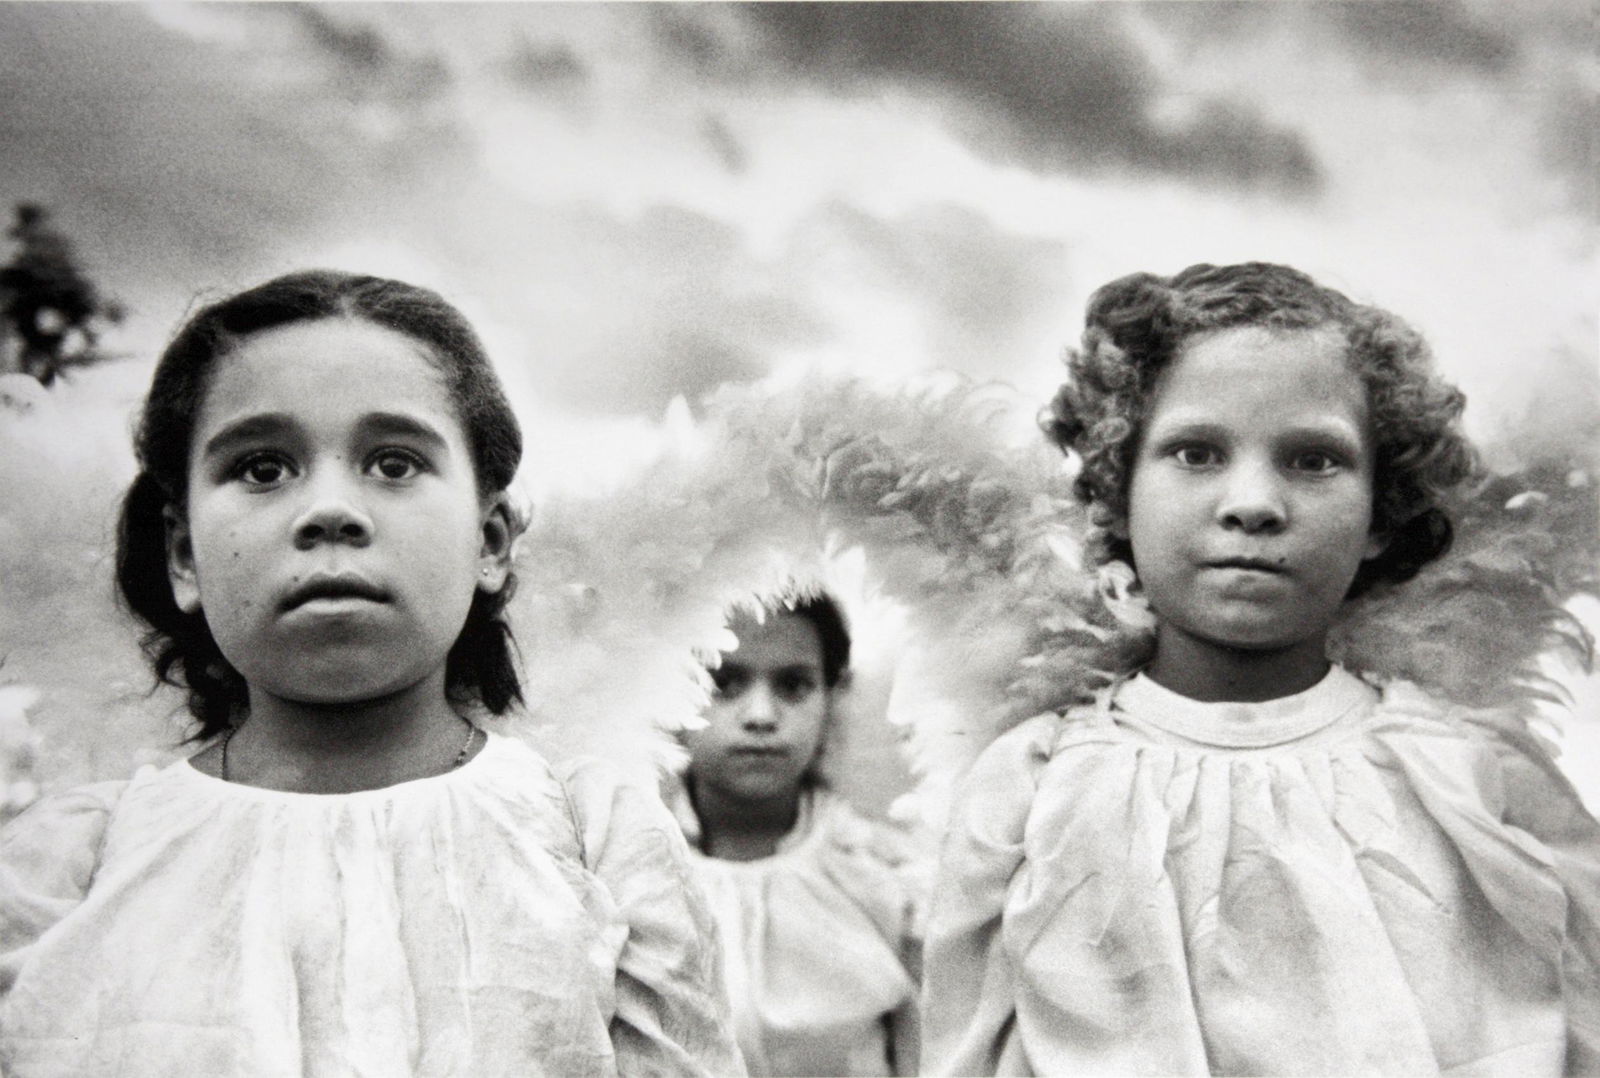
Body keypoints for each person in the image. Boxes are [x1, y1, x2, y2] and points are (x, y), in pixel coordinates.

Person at [0, 270, 742, 1077]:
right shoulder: (71, 867)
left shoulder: (596, 840)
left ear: (489, 542)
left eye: (392, 463)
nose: (329, 510)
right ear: (183, 554)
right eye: (261, 468)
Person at [920, 262, 1600, 1075]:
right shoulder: (1030, 787)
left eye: (1313, 460)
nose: (1253, 502)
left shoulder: (1473, 776)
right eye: (1196, 452)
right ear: (1116, 490)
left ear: (1382, 513)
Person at [673, 595, 921, 1076]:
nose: (761, 715)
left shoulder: (885, 873)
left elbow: (931, 1052)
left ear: (831, 697)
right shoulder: (624, 868)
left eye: (793, 685)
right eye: (723, 682)